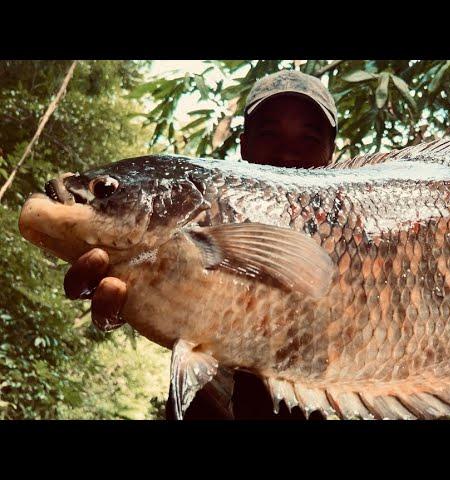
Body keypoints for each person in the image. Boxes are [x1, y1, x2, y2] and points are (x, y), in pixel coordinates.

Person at [63, 70, 338, 420]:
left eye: (308, 138)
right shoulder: (204, 211)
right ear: (244, 144)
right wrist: (128, 300)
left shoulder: (361, 229)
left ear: (331, 151)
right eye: (269, 133)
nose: (286, 152)